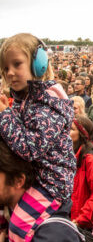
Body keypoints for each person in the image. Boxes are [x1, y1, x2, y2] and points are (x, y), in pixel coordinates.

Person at [0, 33, 76, 207]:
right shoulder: (26, 99)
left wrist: (4, 115)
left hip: (51, 187)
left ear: (39, 64)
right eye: (5, 68)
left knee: (19, 227)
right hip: (34, 182)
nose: (10, 73)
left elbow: (29, 149)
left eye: (17, 64)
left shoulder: (49, 102)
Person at [70, 115, 93, 230]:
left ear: (82, 134)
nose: (67, 132)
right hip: (71, 219)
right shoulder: (71, 155)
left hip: (82, 224)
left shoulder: (90, 160)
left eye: (71, 129)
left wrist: (81, 219)